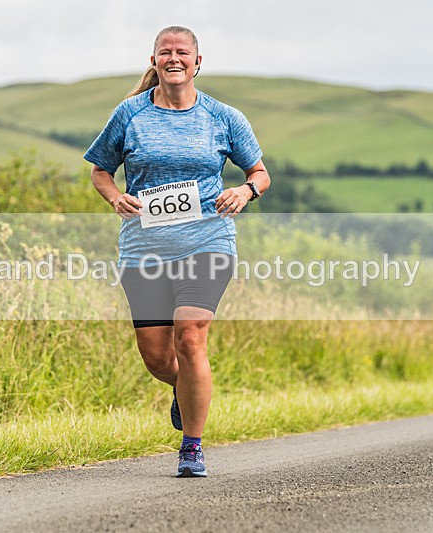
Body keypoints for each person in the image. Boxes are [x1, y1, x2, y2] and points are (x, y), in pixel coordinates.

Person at [84, 25, 270, 477]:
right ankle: (187, 389)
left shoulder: (224, 117)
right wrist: (115, 198)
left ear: (197, 62)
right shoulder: (129, 115)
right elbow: (100, 170)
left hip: (207, 242)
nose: (173, 58)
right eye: (164, 52)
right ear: (153, 61)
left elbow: (260, 172)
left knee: (190, 336)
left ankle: (192, 445)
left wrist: (245, 192)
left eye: (182, 52)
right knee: (157, 358)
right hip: (144, 248)